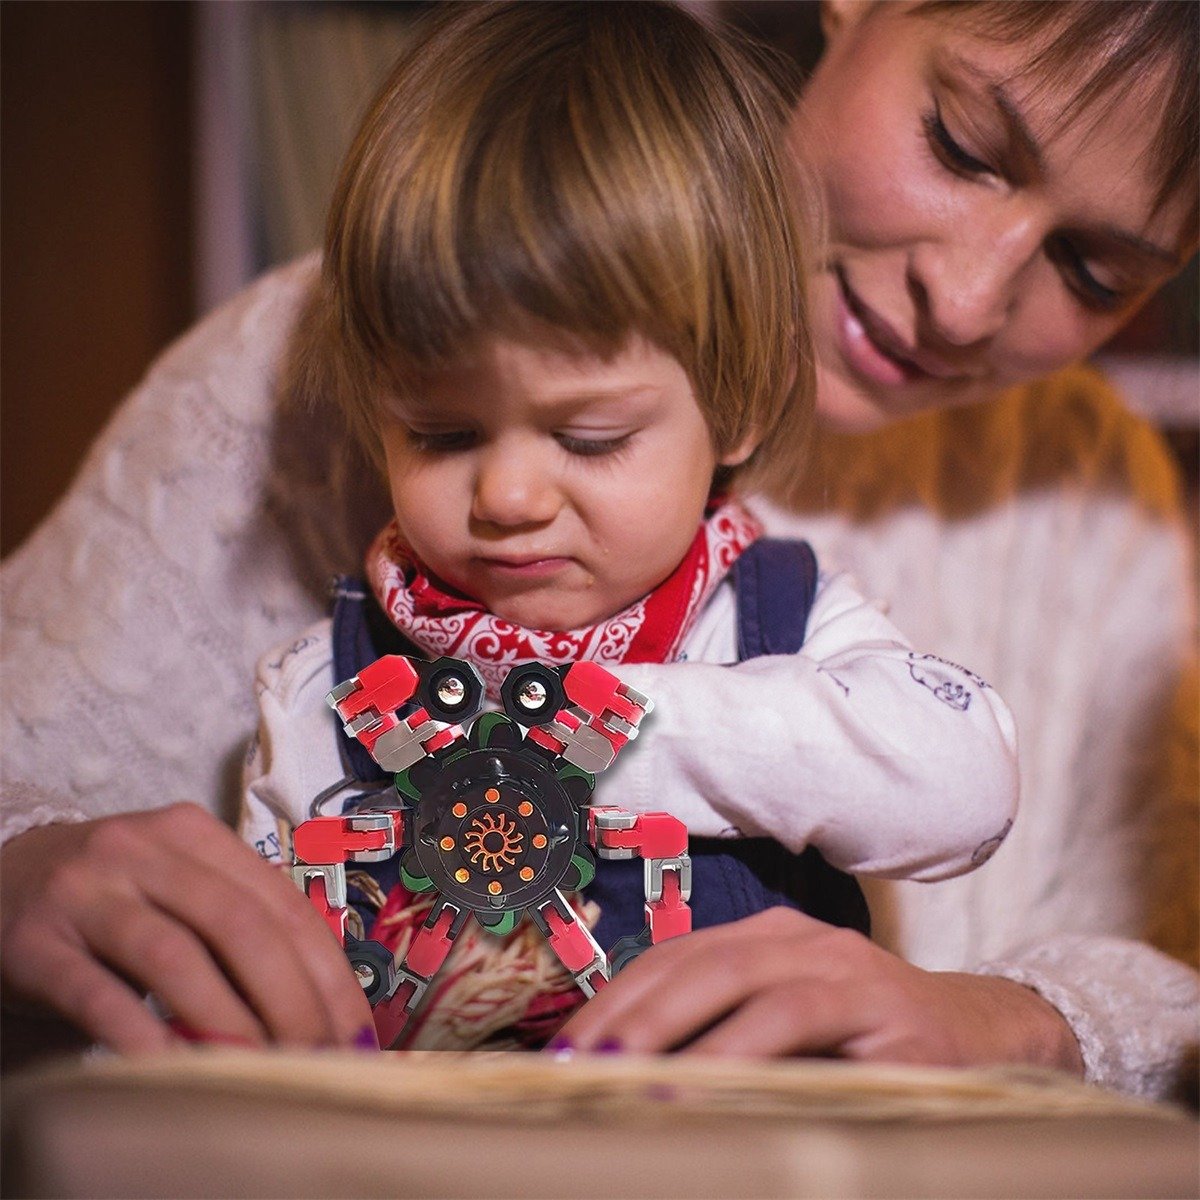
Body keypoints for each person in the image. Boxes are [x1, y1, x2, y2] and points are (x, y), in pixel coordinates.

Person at [1, 0, 1195, 1095]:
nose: (968, 296)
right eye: (962, 142)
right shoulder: (352, 345)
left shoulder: (1095, 496)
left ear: (733, 420)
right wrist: (22, 867)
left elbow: (1164, 977)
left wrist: (1007, 1020)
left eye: (1094, 271)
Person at [237, 0, 1015, 1051]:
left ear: (738, 403)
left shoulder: (779, 620)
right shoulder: (316, 687)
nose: (507, 495)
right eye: (441, 432)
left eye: (591, 437)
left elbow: (963, 783)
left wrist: (599, 730)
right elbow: (248, 994)